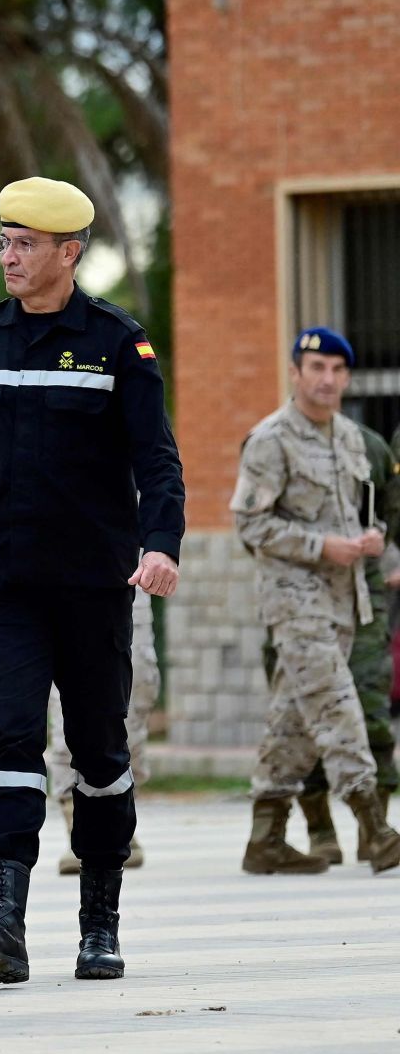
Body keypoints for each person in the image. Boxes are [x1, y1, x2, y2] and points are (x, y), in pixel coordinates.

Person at [0, 177, 185, 987]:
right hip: (0, 582)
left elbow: (157, 459)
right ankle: (2, 914)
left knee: (99, 750)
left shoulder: (117, 343)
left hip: (91, 585)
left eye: (25, 244)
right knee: (10, 737)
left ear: (68, 252)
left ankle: (99, 919)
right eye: (2, 241)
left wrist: (162, 543)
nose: (8, 256)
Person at [230, 326, 400, 875]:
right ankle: (374, 827)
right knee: (336, 706)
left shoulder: (352, 439)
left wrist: (372, 541)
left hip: (344, 602)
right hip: (293, 600)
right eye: (317, 368)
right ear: (296, 373)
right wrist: (319, 546)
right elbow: (250, 521)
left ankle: (266, 836)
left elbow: (361, 515)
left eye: (336, 370)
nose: (327, 380)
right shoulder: (270, 439)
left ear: (346, 377)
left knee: (295, 719)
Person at [288, 418, 400, 864]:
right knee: (309, 711)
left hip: (365, 595)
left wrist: (387, 551)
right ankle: (319, 829)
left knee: (371, 702)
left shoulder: (372, 447)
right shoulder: (274, 441)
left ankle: (376, 828)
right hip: (302, 595)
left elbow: (391, 517)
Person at [46, 590, 158, 873]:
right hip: (57, 567)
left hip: (127, 564)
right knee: (68, 701)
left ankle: (119, 812)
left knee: (135, 691)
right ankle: (80, 823)